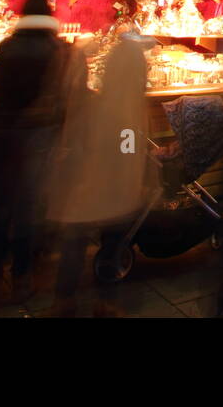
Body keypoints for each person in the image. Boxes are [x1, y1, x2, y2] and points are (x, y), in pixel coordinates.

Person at [0, 0, 84, 306]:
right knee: (28, 211)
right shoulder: (59, 51)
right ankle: (21, 280)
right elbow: (67, 98)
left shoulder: (6, 47)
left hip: (2, 136)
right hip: (38, 138)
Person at [47, 26, 152, 317]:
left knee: (74, 245)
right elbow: (132, 152)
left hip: (88, 189)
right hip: (118, 192)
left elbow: (78, 143)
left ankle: (64, 302)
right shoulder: (136, 108)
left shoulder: (96, 104)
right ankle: (106, 303)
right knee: (113, 246)